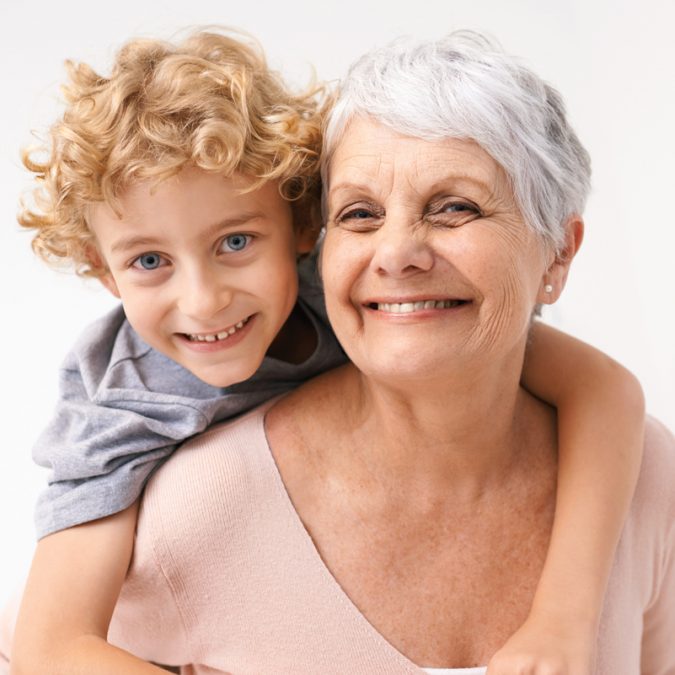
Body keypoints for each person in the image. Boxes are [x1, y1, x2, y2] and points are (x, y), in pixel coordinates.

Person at [7, 29, 650, 675]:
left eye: (235, 243)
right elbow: (44, 646)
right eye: (150, 260)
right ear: (104, 274)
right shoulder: (120, 410)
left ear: (301, 228)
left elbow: (603, 385)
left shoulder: (347, 287)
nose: (204, 301)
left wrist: (566, 616)